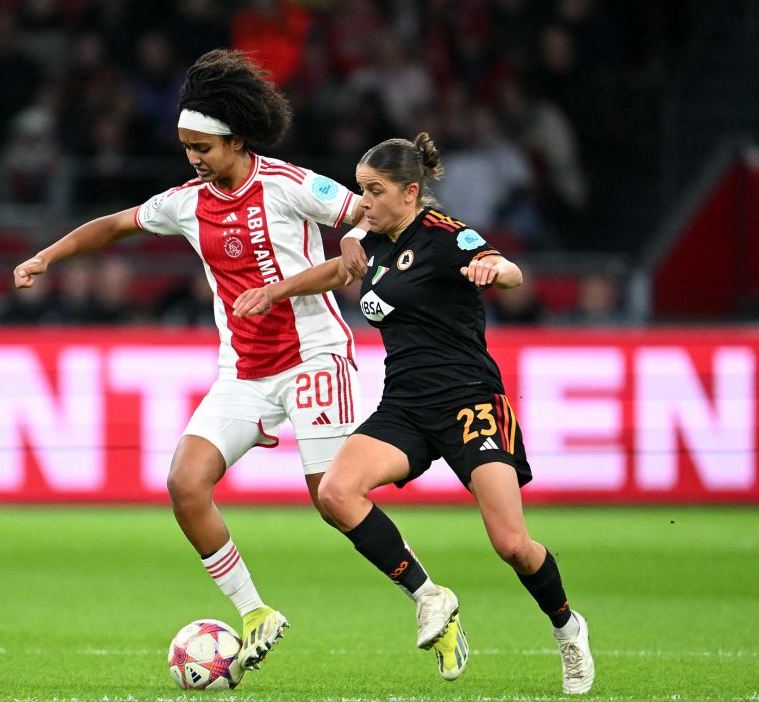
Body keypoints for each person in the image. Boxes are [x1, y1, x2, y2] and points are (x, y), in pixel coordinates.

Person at [12, 49, 368, 674]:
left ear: (235, 139)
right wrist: (48, 256)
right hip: (244, 372)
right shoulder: (186, 202)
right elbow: (116, 224)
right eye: (185, 147)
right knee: (184, 484)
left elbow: (363, 218)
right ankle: (256, 611)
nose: (193, 158)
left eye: (202, 146)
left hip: (314, 353)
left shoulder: (290, 184)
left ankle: (425, 592)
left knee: (333, 499)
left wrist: (351, 236)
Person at [233, 133, 596, 693]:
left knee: (512, 546)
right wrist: (274, 292)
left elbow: (506, 268)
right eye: (360, 190)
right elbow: (335, 274)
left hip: (470, 400)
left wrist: (492, 270)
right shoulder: (372, 239)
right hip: (404, 402)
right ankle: (431, 596)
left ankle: (568, 628)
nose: (363, 201)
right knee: (335, 493)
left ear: (410, 191)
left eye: (374, 191)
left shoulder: (445, 235)